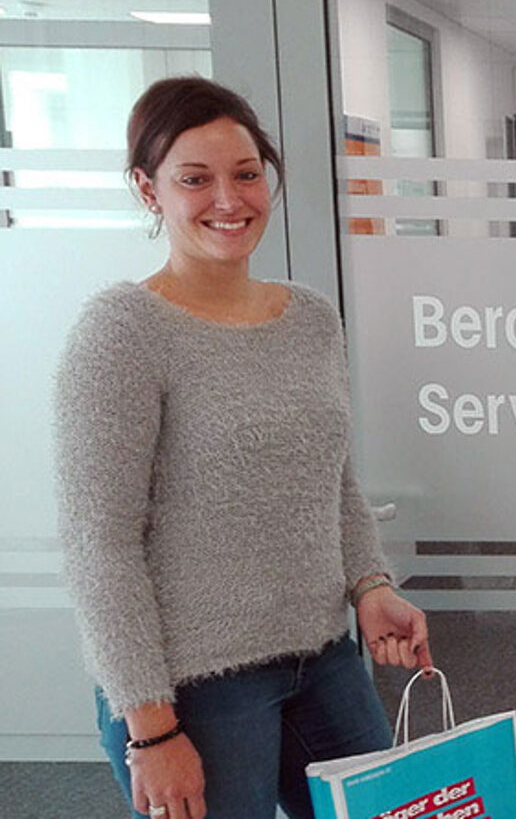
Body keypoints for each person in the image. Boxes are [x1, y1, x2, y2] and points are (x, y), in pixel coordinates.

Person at [54, 76, 434, 819]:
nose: (229, 200)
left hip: (325, 661)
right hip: (195, 688)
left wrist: (370, 584)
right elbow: (100, 547)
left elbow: (334, 481)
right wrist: (150, 731)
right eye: (195, 179)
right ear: (148, 189)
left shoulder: (309, 318)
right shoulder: (123, 331)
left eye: (246, 173)